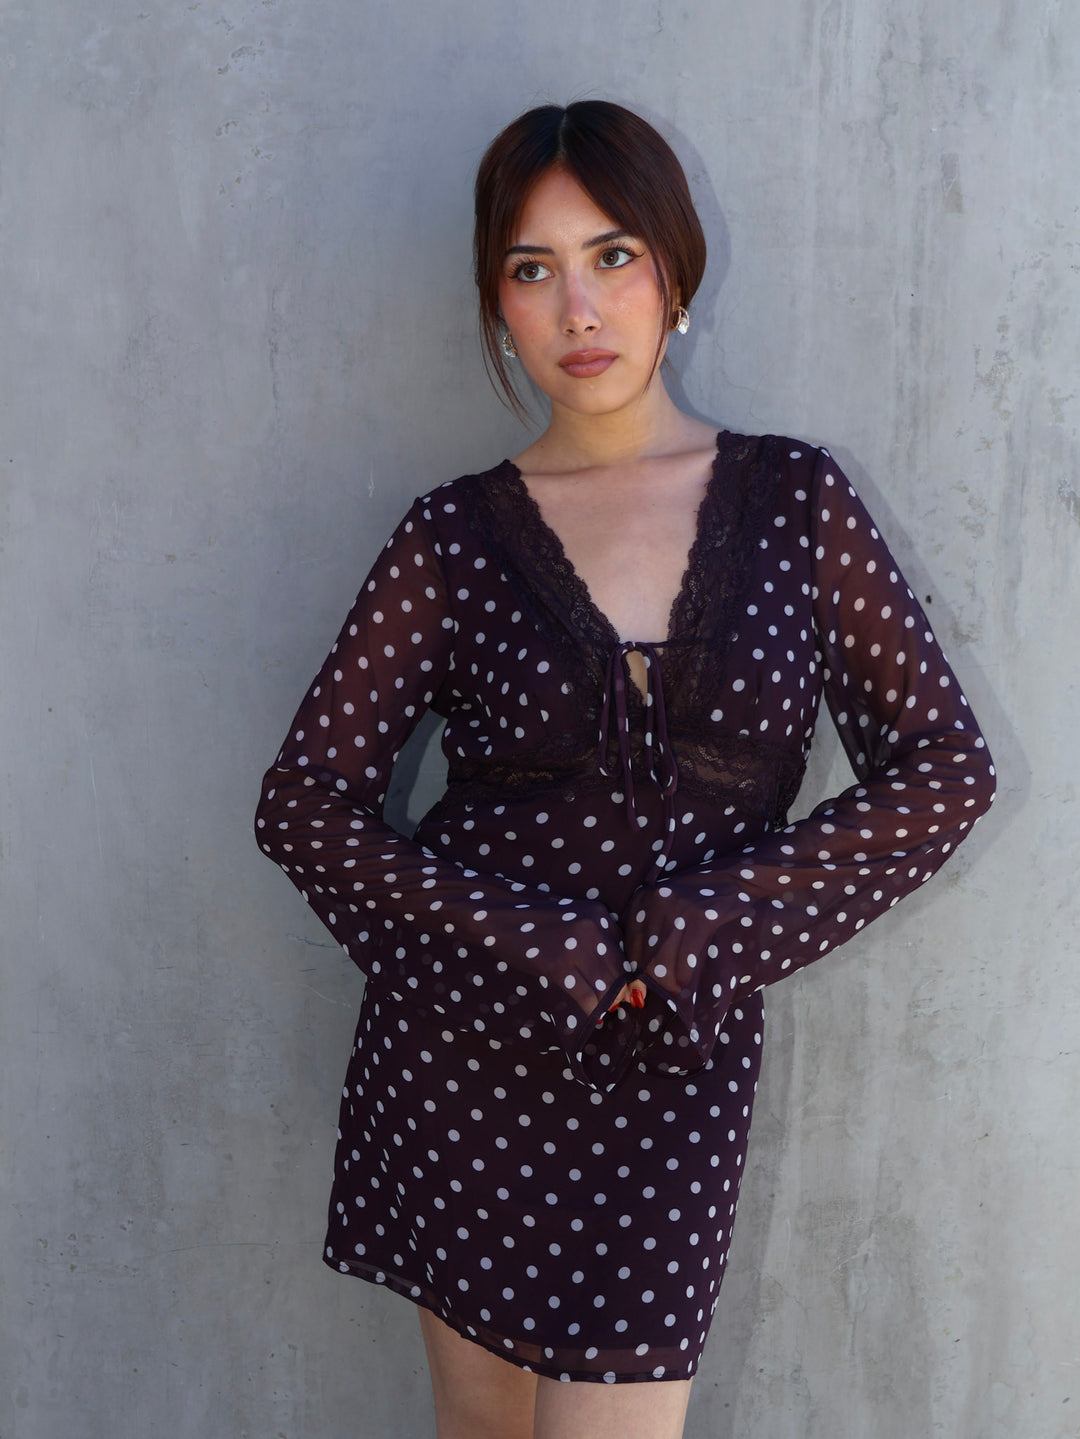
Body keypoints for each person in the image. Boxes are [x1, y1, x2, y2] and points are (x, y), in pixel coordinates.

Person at [254, 101, 996, 1439]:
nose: (577, 308)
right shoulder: (453, 539)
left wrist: (702, 926)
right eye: (533, 270)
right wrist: (519, 939)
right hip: (463, 1056)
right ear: (497, 302)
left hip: (678, 1060)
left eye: (612, 257)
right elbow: (303, 803)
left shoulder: (795, 504)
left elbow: (941, 769)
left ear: (675, 271)